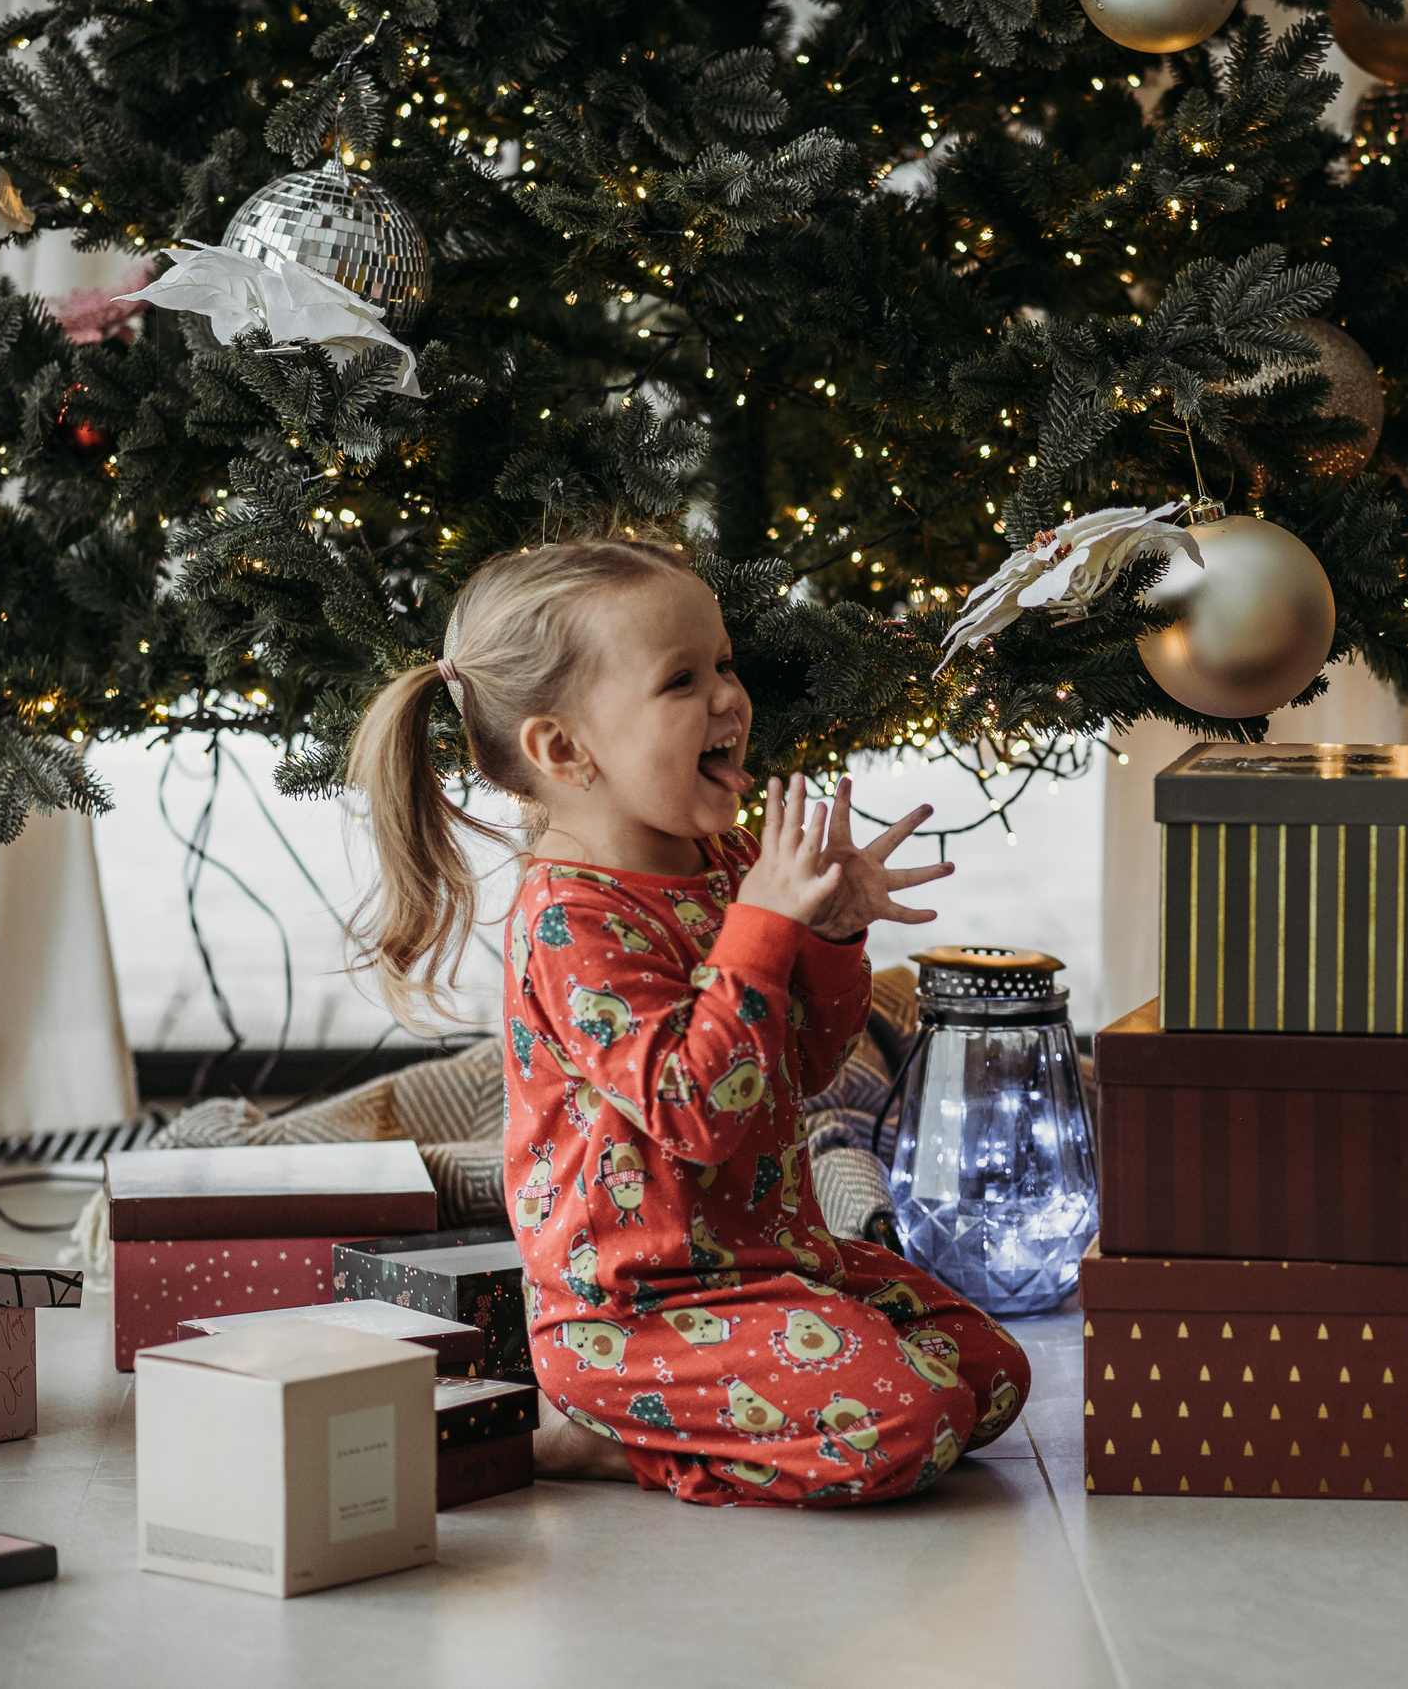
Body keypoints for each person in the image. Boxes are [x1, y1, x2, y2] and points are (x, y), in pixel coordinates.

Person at [347, 536, 1027, 1505]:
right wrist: (763, 924)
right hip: (638, 1313)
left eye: (724, 665)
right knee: (907, 1422)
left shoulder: (725, 863)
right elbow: (698, 1110)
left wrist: (830, 936)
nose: (728, 699)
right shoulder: (569, 917)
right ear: (563, 749)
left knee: (992, 1377)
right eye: (680, 680)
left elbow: (805, 1066)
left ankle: (779, 1383)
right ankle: (607, 1438)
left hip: (773, 1265)